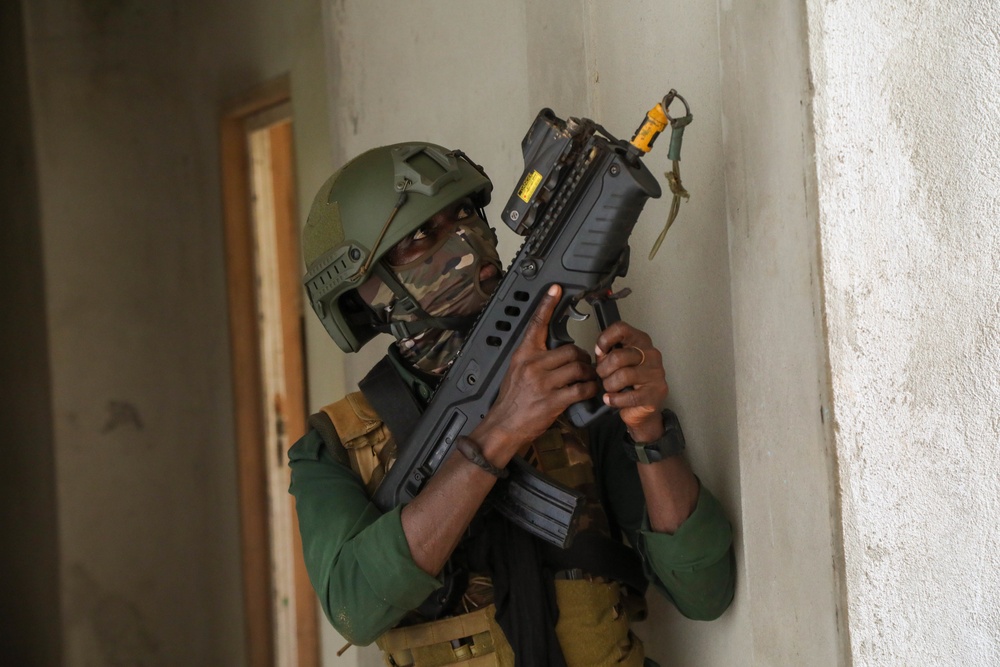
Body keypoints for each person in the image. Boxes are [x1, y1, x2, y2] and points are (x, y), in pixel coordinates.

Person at [289, 142, 734, 666]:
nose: (464, 240)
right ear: (365, 292)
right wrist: (500, 434)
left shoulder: (574, 390)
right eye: (421, 238)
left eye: (464, 214)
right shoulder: (333, 448)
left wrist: (648, 430)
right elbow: (354, 607)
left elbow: (705, 594)